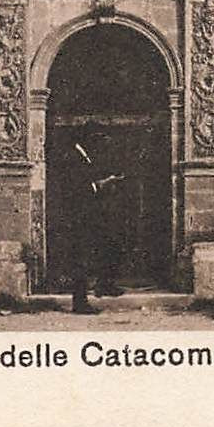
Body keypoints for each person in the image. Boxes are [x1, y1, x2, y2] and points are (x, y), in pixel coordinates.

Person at [67, 134, 125, 313]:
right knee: (80, 259)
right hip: (77, 218)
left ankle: (102, 286)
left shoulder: (83, 154)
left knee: (100, 249)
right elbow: (76, 187)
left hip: (88, 216)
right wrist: (102, 184)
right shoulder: (72, 155)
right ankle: (79, 303)